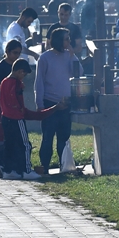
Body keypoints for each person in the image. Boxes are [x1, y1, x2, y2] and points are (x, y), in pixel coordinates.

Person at [0, 59, 63, 180]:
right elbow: (16, 100)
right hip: (16, 119)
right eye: (23, 74)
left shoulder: (4, 82)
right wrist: (19, 108)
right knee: (25, 145)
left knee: (10, 145)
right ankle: (27, 170)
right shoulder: (16, 84)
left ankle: (9, 170)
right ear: (19, 71)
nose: (23, 78)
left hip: (5, 118)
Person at [34, 27, 80, 174]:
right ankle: (45, 167)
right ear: (59, 40)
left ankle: (63, 166)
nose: (69, 41)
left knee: (64, 137)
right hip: (50, 103)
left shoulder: (69, 56)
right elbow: (39, 82)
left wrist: (73, 56)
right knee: (48, 137)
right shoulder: (45, 58)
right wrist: (39, 104)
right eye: (67, 38)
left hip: (66, 104)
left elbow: (79, 74)